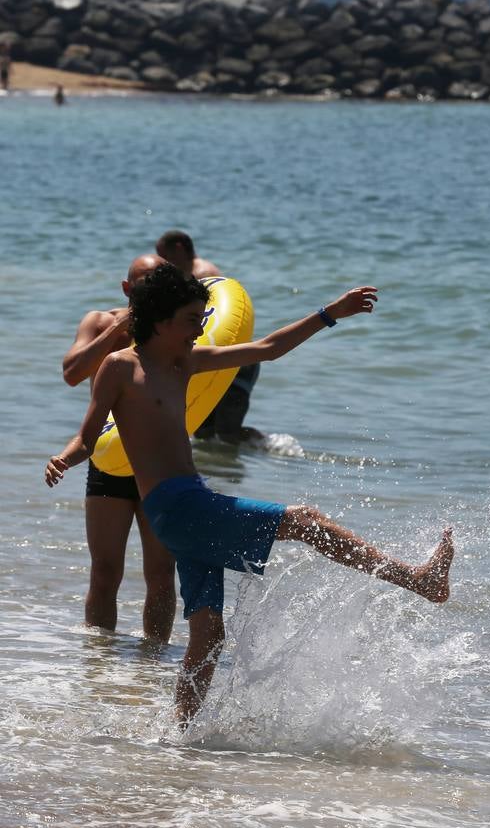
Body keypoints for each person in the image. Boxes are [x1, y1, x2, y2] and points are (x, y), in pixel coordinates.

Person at [46, 265, 454, 727]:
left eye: (203, 316)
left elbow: (267, 349)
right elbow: (88, 436)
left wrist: (330, 314)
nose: (200, 325)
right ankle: (417, 580)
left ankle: (179, 739)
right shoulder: (121, 367)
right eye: (191, 317)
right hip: (176, 507)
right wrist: (63, 458)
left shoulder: (187, 362)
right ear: (160, 321)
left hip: (187, 503)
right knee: (306, 521)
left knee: (208, 633)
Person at [62, 254, 176, 642]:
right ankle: (98, 665)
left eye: (159, 280)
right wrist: (116, 332)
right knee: (105, 570)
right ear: (127, 288)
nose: (151, 286)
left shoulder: (175, 330)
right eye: (144, 280)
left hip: (161, 464)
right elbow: (72, 374)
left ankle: (155, 663)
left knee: (161, 573)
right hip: (108, 459)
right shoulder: (99, 321)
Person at [156, 229, 263, 444]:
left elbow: (210, 320)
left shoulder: (204, 274)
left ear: (179, 249)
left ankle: (267, 444)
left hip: (234, 359)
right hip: (209, 357)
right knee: (203, 431)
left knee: (227, 432)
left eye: (164, 256)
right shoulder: (185, 276)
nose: (163, 263)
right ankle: (218, 471)